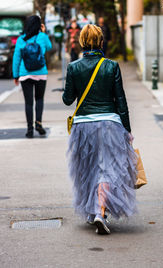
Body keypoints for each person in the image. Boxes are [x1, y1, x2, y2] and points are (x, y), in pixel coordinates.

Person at [62, 24, 137, 235]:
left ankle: (92, 210)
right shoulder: (112, 66)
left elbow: (68, 100)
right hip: (110, 124)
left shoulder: (74, 67)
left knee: (87, 169)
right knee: (107, 168)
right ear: (101, 41)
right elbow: (120, 100)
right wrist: (127, 130)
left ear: (82, 42)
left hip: (83, 125)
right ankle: (100, 212)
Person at [12, 15, 52, 138]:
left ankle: (29, 130)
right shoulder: (42, 37)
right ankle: (38, 123)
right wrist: (44, 33)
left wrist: (16, 75)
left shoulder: (21, 39)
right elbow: (49, 47)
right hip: (40, 73)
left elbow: (16, 58)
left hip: (25, 74)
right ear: (39, 25)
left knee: (28, 103)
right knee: (39, 99)